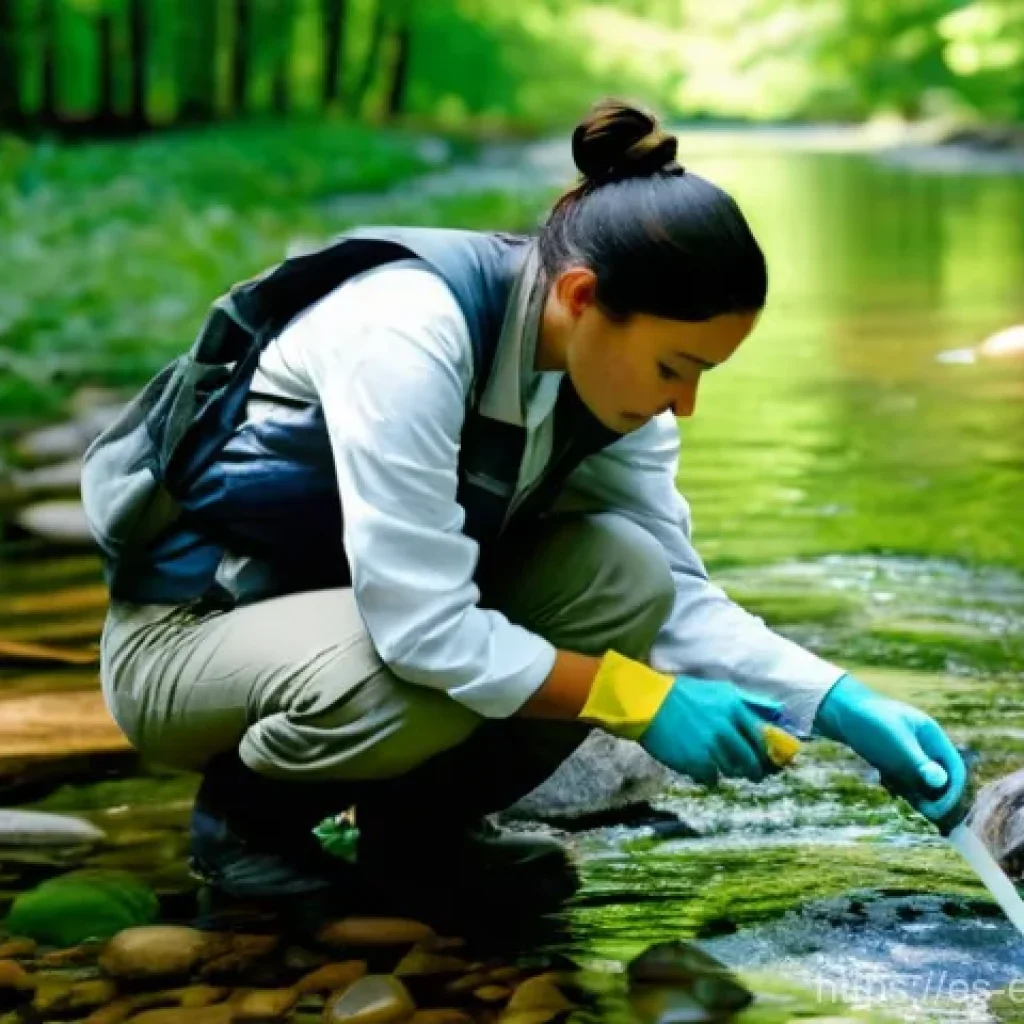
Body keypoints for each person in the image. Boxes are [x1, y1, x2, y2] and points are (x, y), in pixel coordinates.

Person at [82, 98, 968, 923]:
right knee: (418, 680)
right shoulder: (405, 329)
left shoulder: (610, 393)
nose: (683, 405)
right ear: (582, 298)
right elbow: (423, 631)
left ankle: (419, 836)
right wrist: (639, 700)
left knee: (628, 576)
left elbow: (680, 605)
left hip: (349, 628)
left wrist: (843, 703)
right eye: (674, 367)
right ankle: (246, 827)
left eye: (705, 374)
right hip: (190, 640)